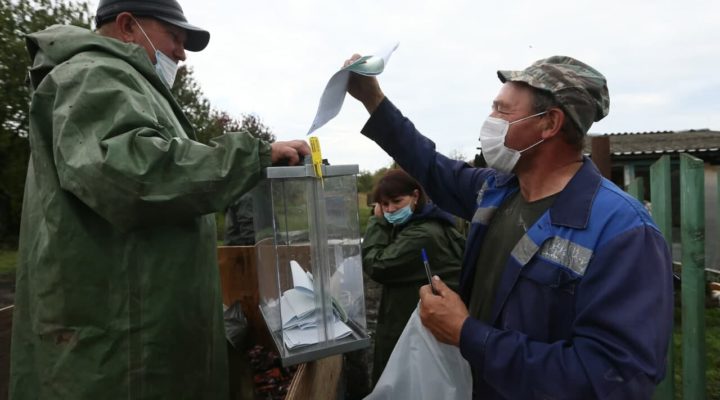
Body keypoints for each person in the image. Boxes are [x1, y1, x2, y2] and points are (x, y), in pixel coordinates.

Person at [10, 0, 310, 399]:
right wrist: (252, 156)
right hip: (120, 355)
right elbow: (134, 173)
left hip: (137, 343)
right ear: (128, 26)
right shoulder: (91, 76)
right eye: (174, 37)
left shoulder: (124, 83)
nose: (181, 54)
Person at [346, 55, 673, 398]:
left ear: (549, 123)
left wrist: (466, 332)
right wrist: (372, 98)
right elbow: (430, 166)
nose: (490, 121)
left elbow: (612, 379)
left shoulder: (623, 232)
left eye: (502, 111)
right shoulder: (497, 190)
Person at [362, 169, 464, 384]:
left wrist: (377, 222)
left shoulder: (423, 234)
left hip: (420, 332)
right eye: (384, 204)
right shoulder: (424, 222)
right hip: (417, 325)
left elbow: (378, 265)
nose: (390, 210)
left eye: (396, 202)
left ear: (415, 196)